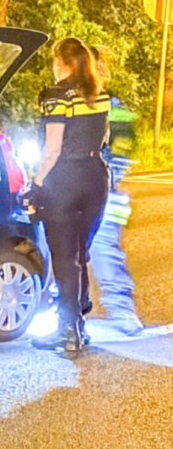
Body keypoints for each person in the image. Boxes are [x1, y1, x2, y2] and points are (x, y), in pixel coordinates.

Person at [31, 37, 111, 353]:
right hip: (96, 177)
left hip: (65, 179)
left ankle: (68, 330)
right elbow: (105, 137)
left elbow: (53, 149)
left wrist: (36, 183)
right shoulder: (100, 95)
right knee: (79, 253)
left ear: (61, 63)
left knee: (64, 257)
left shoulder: (56, 97)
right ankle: (79, 319)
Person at [87, 90, 143, 335]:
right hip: (80, 189)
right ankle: (61, 309)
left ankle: (123, 311)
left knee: (104, 250)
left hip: (106, 195)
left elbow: (121, 154)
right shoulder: (72, 101)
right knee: (60, 251)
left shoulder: (114, 110)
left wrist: (106, 177)